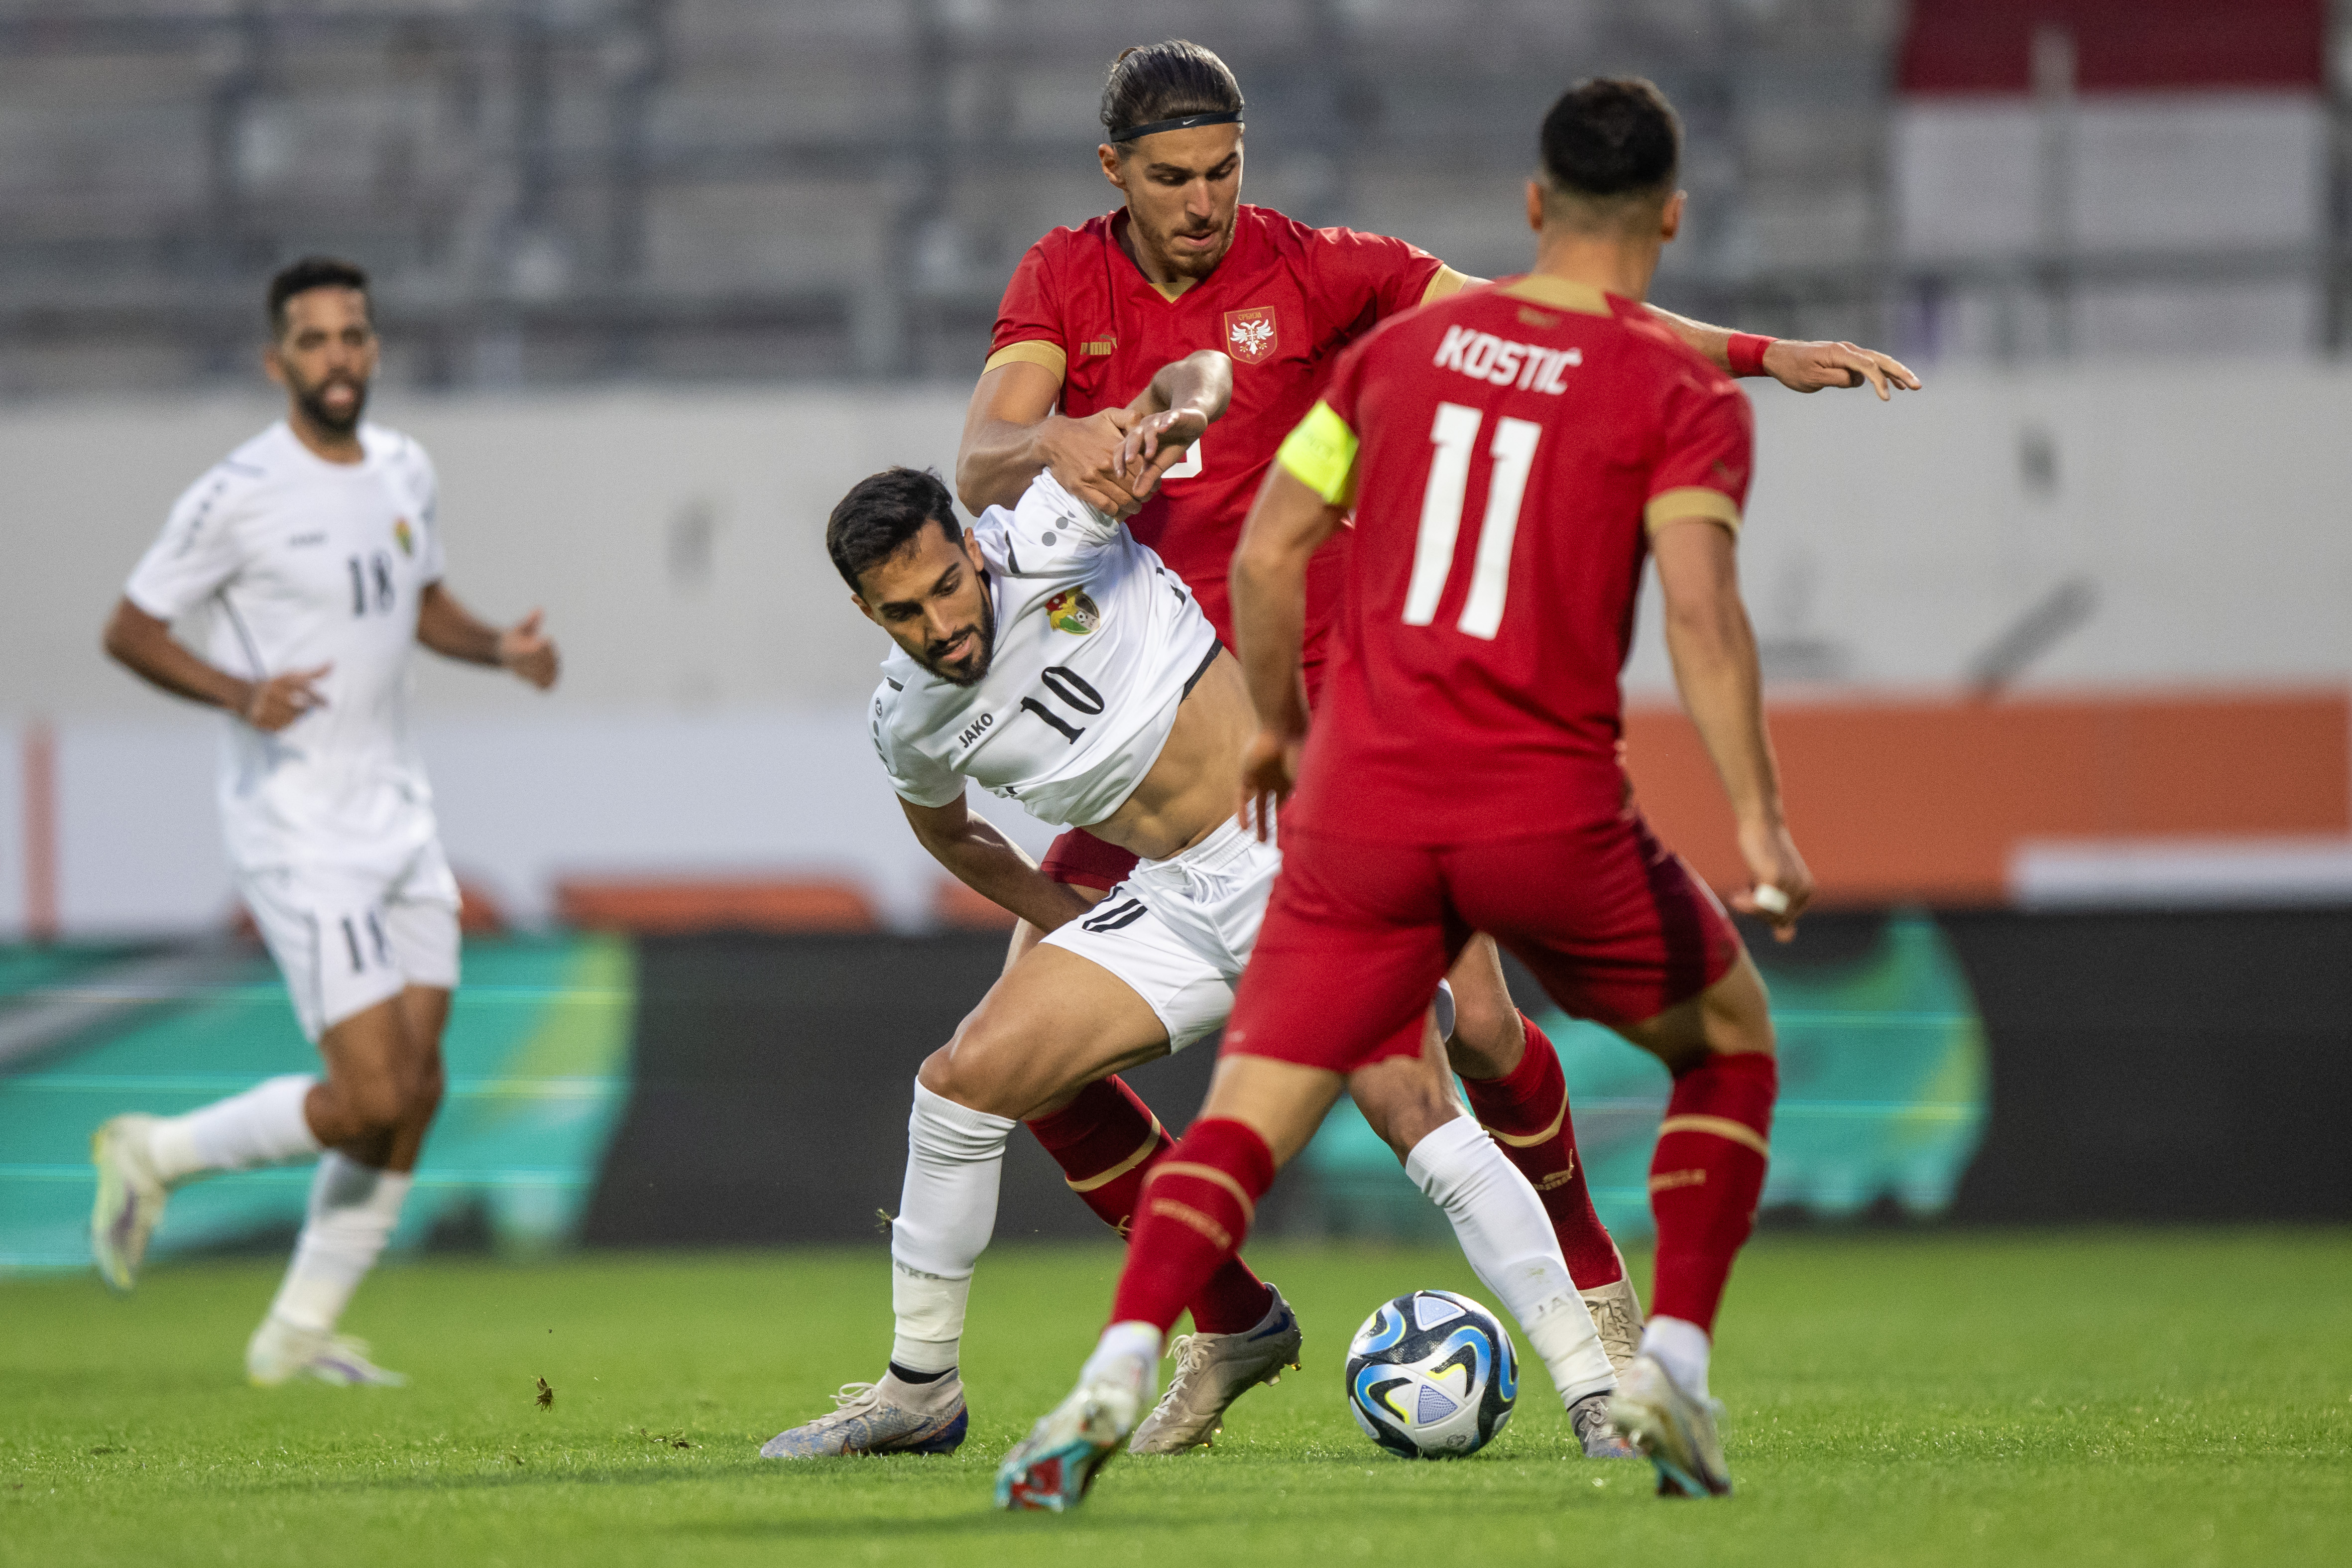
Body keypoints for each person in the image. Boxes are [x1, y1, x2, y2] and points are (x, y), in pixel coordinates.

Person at [955, 38, 1915, 1351]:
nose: (1203, 201)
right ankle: (1232, 1327)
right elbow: (978, 459)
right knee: (1018, 1065)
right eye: (1172, 177)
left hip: (1329, 714)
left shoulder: (1320, 270)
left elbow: (1546, 314)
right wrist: (1048, 438)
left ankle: (1592, 1283)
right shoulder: (1061, 278)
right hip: (1152, 730)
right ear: (1112, 170)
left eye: (1224, 170)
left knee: (1478, 1026)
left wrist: (1756, 352)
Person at [762, 353, 1624, 1470]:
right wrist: (1064, 916)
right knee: (961, 1083)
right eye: (903, 614)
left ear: (971, 546)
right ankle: (920, 1391)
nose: (940, 626)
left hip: (1307, 853)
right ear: (864, 610)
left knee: (1413, 1105)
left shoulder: (1053, 528)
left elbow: (1198, 378)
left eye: (945, 588)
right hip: (1173, 898)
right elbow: (950, 833)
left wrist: (1165, 417)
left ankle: (1598, 1395)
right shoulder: (907, 721)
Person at [88, 255, 560, 1386]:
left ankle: (297, 1335)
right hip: (298, 825)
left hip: (398, 813)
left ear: (374, 350)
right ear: (277, 362)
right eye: (314, 341)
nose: (337, 357)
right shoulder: (237, 492)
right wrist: (237, 691)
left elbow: (419, 602)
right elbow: (130, 628)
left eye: (353, 336)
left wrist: (499, 646)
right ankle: (155, 1151)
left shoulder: (404, 468)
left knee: (419, 1087)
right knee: (371, 1096)